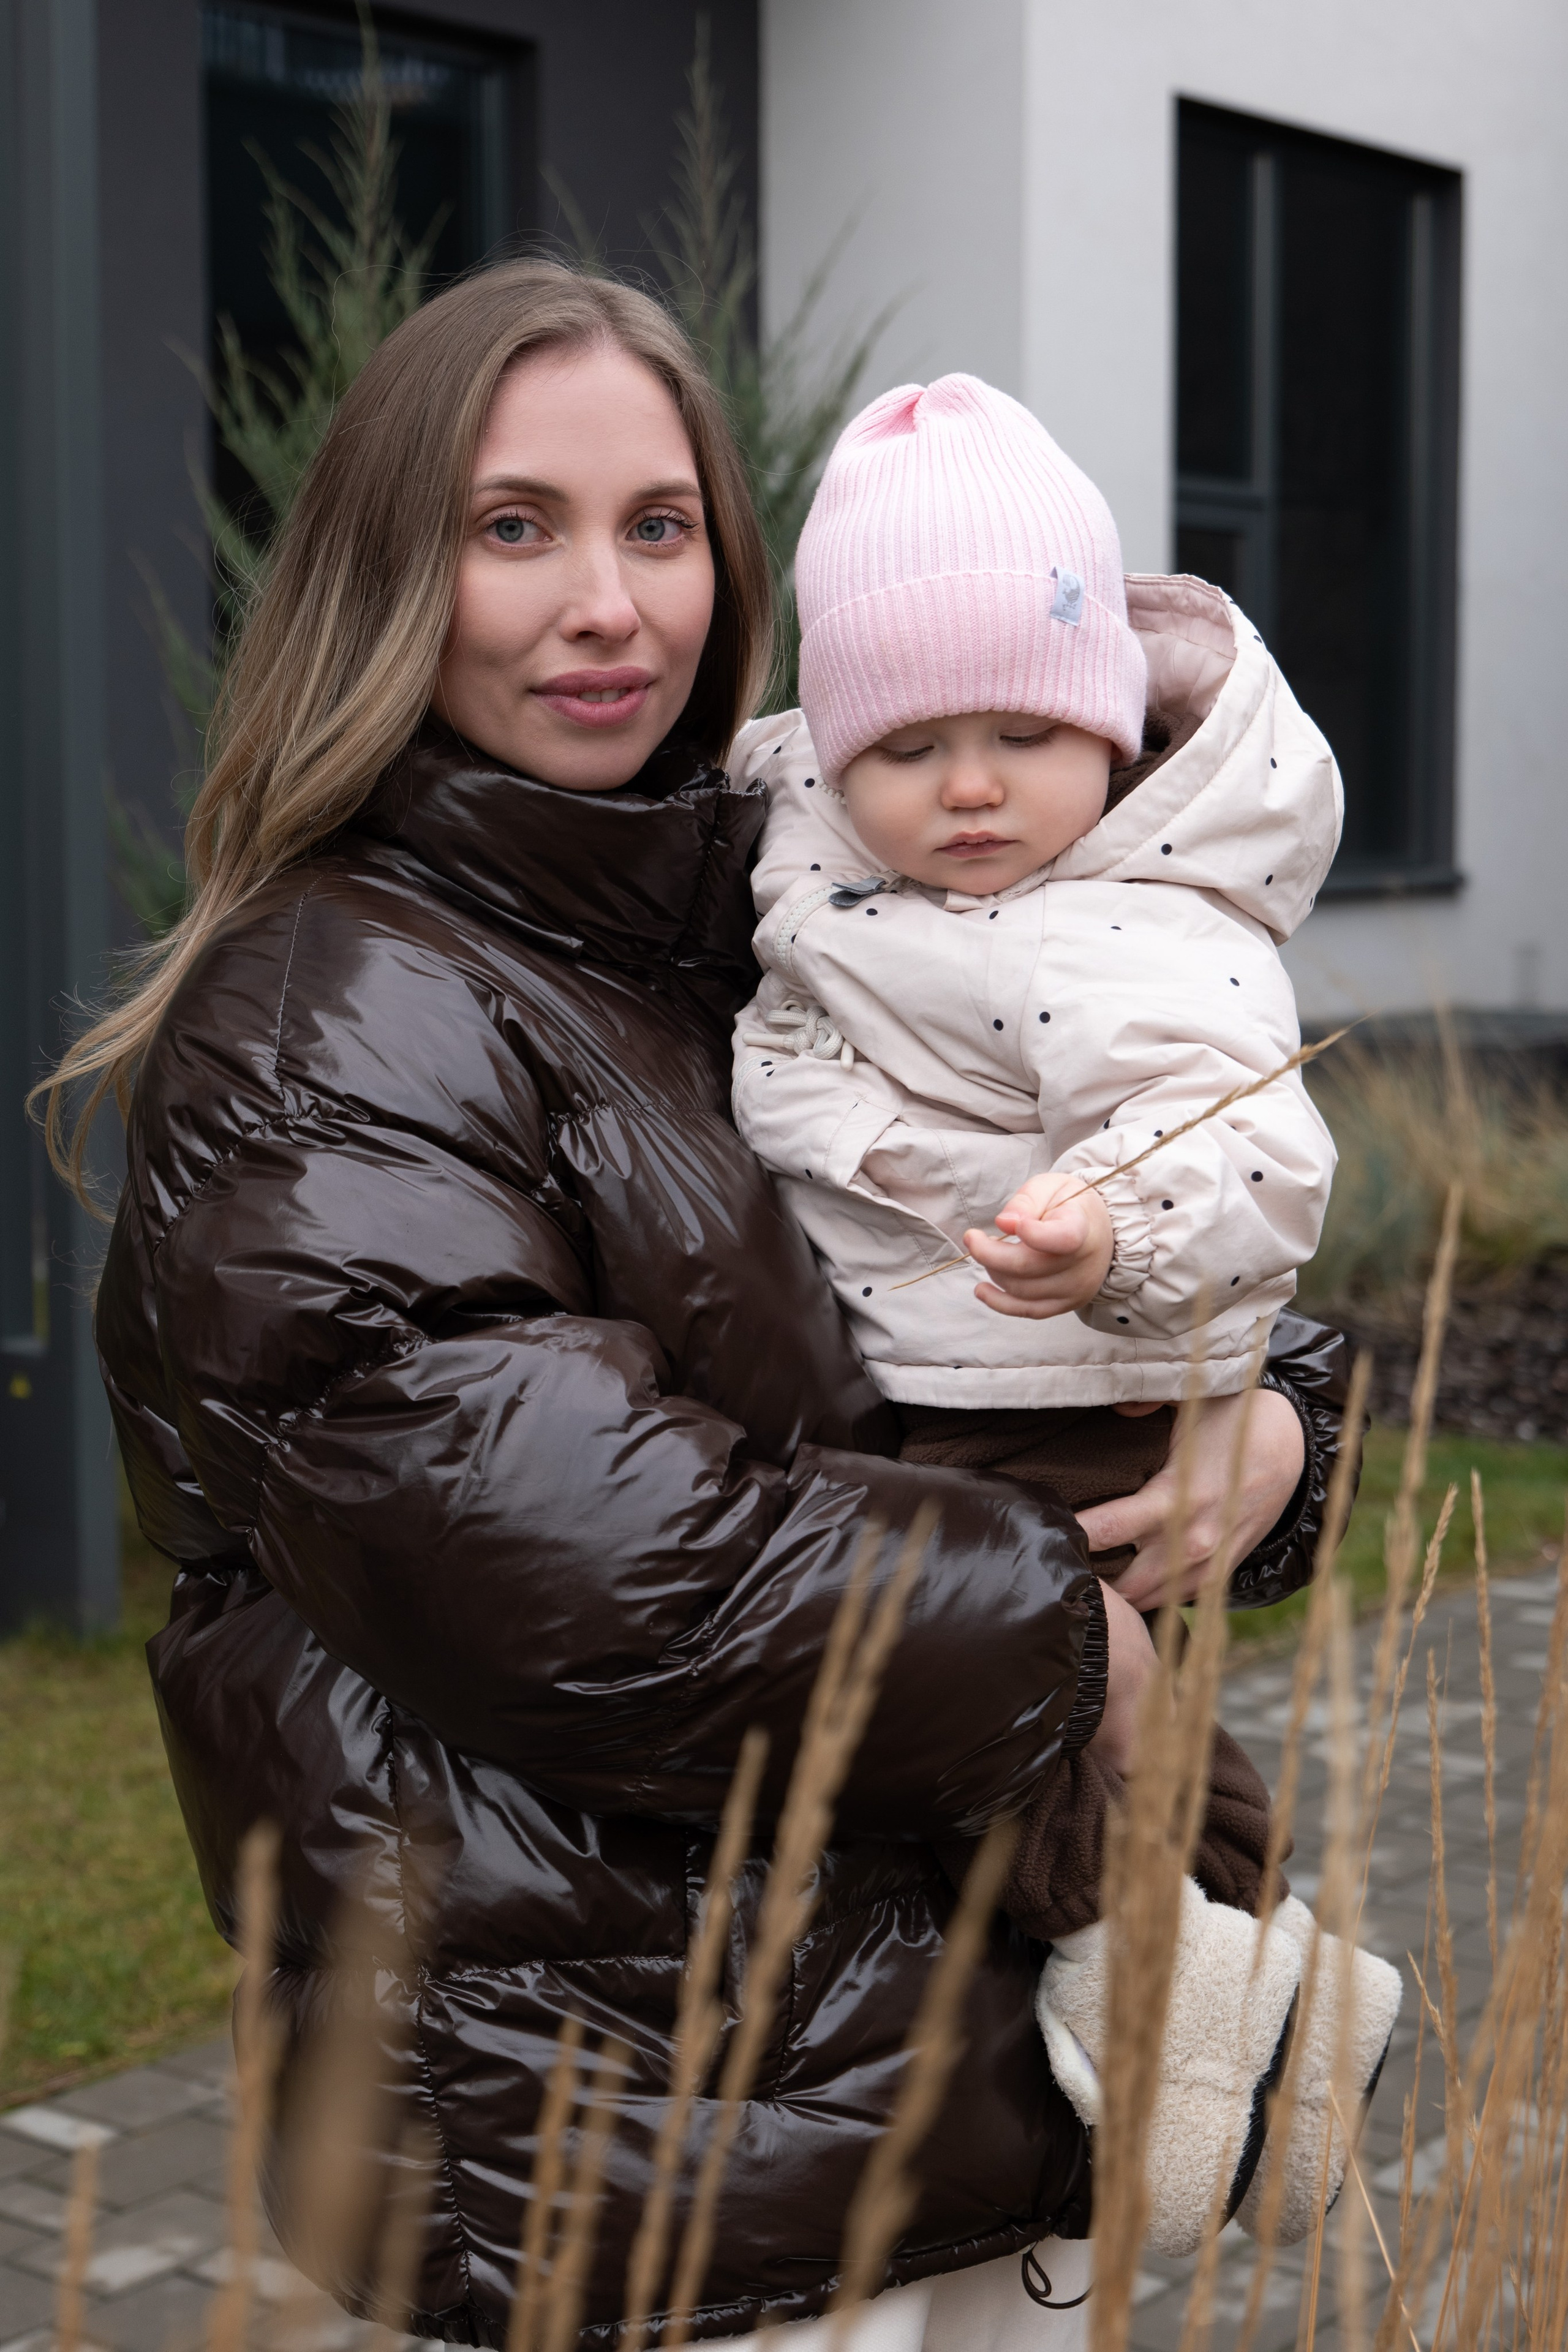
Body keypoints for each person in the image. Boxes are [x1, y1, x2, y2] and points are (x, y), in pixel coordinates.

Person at [40, 263, 1350, 2351]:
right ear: (388, 573)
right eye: (513, 527)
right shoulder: (335, 1009)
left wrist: (1267, 1415)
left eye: (659, 526)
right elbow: (572, 1558)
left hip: (947, 2109)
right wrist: (1048, 1611)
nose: (609, 606)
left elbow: (928, 1312)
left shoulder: (766, 918)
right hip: (640, 2171)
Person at [729, 374, 1399, 2252]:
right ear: (830, 753)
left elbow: (1251, 1148)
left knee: (1019, 1727)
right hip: (920, 1383)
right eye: (908, 742)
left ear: (1108, 734)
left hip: (1051, 1380)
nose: (965, 786)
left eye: (1024, 732)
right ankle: (1273, 1968)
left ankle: (1173, 1988)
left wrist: (1112, 1231)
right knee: (1131, 1725)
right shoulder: (809, 843)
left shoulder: (1142, 929)